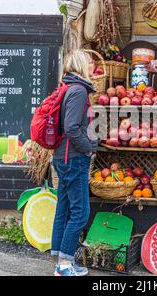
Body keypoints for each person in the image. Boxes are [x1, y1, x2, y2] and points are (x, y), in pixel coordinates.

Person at [51, 49, 97, 277]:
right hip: (74, 158)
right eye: (90, 62)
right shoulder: (79, 91)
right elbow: (71, 127)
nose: (93, 65)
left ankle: (60, 260)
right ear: (81, 65)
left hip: (63, 156)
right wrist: (88, 149)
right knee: (80, 213)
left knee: (64, 208)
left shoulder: (68, 87)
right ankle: (64, 266)